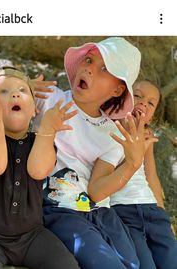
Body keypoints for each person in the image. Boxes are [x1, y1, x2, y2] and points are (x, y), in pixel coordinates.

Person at [33, 37, 150, 269]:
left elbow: (96, 191)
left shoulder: (113, 132)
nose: (88, 67)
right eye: (88, 59)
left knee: (133, 264)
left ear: (118, 89)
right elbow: (0, 90)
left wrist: (132, 164)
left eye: (104, 68)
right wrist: (22, 83)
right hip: (60, 209)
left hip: (101, 213)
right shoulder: (51, 98)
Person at [0, 66, 80, 269]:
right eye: (3, 91)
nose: (14, 93)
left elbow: (38, 170)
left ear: (34, 110)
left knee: (67, 265)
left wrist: (47, 130)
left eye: (23, 91)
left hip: (32, 236)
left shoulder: (39, 141)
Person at [110, 80, 177, 269]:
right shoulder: (109, 129)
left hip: (151, 210)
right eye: (138, 95)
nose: (143, 103)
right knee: (144, 264)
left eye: (150, 103)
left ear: (152, 116)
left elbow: (151, 176)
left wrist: (162, 212)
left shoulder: (147, 135)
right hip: (122, 212)